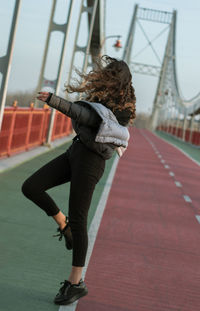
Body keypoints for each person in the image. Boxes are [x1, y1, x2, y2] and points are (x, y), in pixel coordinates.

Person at [21, 55, 136, 306]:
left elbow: (84, 117)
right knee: (31, 187)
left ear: (119, 81)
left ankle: (76, 283)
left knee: (80, 219)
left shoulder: (122, 111)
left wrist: (53, 100)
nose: (105, 76)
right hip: (75, 152)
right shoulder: (100, 98)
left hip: (91, 162)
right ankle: (63, 224)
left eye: (110, 74)